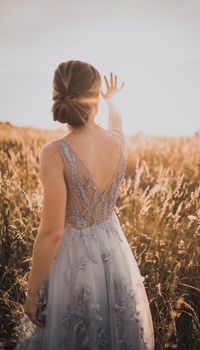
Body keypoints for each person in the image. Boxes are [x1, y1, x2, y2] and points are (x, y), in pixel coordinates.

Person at [15, 60, 155, 350]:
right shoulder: (117, 141)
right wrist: (113, 103)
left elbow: (52, 232)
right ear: (94, 98)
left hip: (73, 261)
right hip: (113, 253)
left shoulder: (55, 153)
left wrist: (31, 295)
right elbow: (117, 125)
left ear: (58, 95)